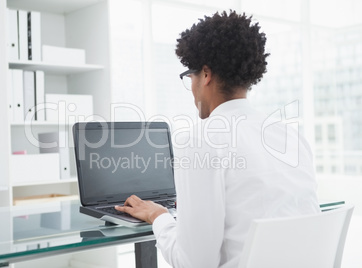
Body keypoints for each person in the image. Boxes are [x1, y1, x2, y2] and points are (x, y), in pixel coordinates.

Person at [115, 10, 320, 268]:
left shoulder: (201, 141)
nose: (191, 88)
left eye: (190, 77)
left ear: (206, 75)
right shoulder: (291, 137)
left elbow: (192, 263)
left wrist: (159, 216)